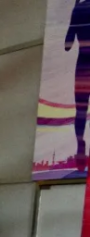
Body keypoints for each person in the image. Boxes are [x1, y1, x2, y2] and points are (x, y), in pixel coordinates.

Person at [66, 0, 90, 170]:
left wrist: (74, 22)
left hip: (83, 65)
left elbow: (67, 45)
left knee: (81, 110)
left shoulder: (79, 9)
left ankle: (80, 142)